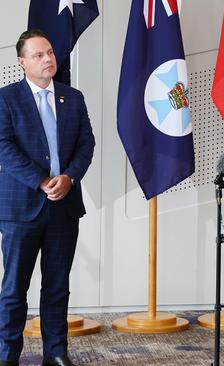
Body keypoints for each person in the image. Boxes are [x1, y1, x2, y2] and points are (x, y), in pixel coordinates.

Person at [0, 30, 95, 366]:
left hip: (64, 207)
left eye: (50, 52)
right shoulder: (6, 98)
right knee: (14, 290)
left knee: (57, 287)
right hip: (20, 209)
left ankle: (55, 353)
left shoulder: (73, 97)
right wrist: (41, 181)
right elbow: (4, 148)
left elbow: (87, 145)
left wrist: (69, 177)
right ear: (22, 62)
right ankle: (7, 355)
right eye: (38, 55)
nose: (48, 59)